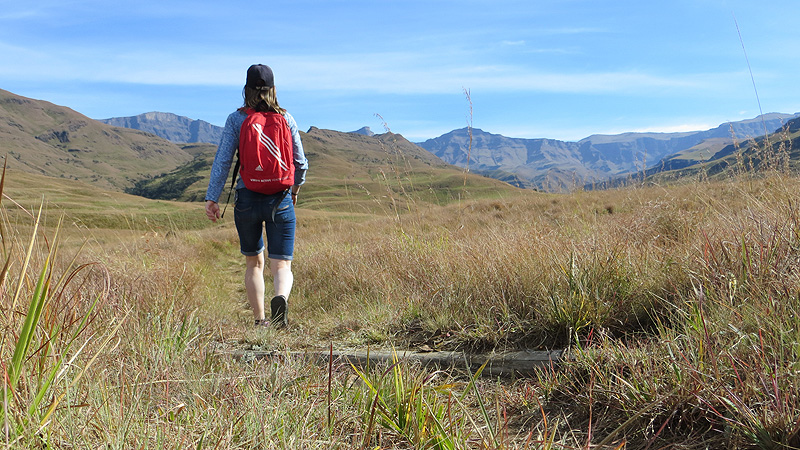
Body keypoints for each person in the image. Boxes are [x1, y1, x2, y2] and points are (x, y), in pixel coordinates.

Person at [204, 64, 308, 328]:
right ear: (274, 89)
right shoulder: (286, 118)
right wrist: (295, 190)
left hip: (247, 198)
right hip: (280, 198)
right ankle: (280, 297)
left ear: (246, 89)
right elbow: (301, 162)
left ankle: (260, 320)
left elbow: (223, 161)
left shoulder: (236, 119)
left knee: (254, 263)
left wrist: (212, 198)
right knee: (281, 265)